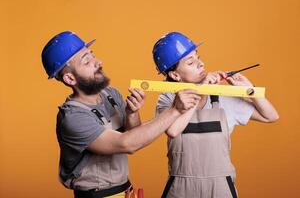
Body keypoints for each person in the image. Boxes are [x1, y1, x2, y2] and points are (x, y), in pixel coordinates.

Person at [41, 31, 202, 198]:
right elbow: (126, 144)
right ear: (70, 79)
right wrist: (175, 110)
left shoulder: (110, 94)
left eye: (92, 55)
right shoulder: (73, 117)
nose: (98, 62)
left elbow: (135, 135)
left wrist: (132, 113)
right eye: (87, 61)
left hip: (125, 190)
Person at [152, 32, 279, 198]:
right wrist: (202, 88)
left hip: (220, 189)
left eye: (198, 58)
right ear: (175, 75)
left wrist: (251, 90)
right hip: (181, 189)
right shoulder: (168, 99)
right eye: (191, 62)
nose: (201, 64)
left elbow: (271, 116)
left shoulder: (221, 95)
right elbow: (173, 130)